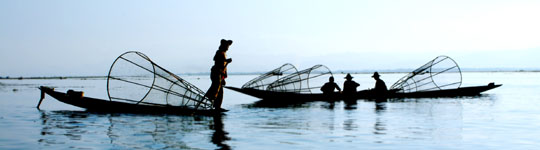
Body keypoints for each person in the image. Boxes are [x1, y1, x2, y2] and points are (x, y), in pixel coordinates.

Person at [206, 39, 233, 111]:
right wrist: (226, 61)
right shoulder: (219, 52)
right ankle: (209, 99)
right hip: (216, 73)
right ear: (223, 46)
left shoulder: (223, 53)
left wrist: (223, 78)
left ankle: (217, 107)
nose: (228, 48)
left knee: (220, 91)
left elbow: (223, 67)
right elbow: (216, 60)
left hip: (220, 74)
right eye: (227, 46)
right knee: (215, 87)